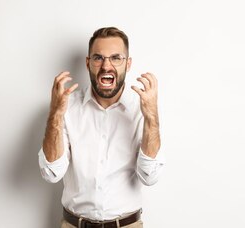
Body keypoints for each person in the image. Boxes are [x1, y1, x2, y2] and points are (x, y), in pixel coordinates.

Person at [38, 27, 165, 228]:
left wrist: (152, 118)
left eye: (116, 58)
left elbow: (149, 176)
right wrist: (55, 114)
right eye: (98, 58)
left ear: (128, 64)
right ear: (88, 63)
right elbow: (51, 173)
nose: (107, 66)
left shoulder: (141, 109)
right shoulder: (67, 108)